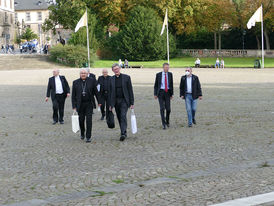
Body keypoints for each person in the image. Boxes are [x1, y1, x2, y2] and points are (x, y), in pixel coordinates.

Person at [72, 68, 101, 143]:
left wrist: (99, 101)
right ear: (80, 74)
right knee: (81, 120)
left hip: (89, 103)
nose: (83, 74)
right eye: (81, 73)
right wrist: (74, 106)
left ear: (87, 74)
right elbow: (73, 96)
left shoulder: (92, 81)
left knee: (89, 120)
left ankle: (88, 136)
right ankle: (82, 132)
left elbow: (96, 92)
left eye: (84, 73)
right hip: (80, 104)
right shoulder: (75, 82)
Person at [109, 63, 134, 141]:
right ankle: (123, 131)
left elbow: (130, 90)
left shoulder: (126, 77)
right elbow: (110, 93)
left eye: (117, 68)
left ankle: (123, 133)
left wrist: (132, 102)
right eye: (114, 69)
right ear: (112, 71)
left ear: (119, 68)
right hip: (115, 101)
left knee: (123, 115)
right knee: (119, 116)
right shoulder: (111, 79)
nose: (116, 70)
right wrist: (110, 104)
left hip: (124, 100)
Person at [154, 63, 174, 130]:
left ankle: (167, 120)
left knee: (168, 109)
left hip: (167, 92)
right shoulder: (158, 75)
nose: (167, 68)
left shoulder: (170, 74)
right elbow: (156, 85)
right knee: (162, 108)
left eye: (168, 67)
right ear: (163, 68)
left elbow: (171, 85)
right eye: (166, 67)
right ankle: (163, 124)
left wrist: (171, 94)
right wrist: (155, 94)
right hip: (160, 92)